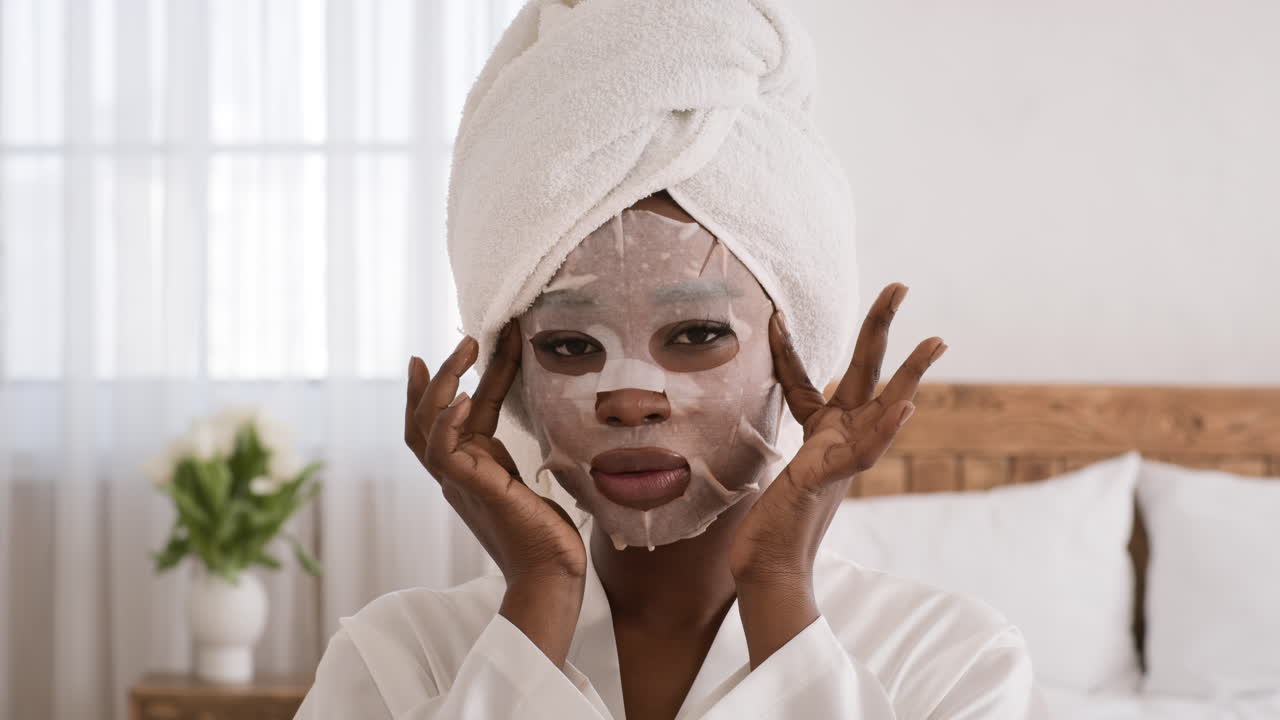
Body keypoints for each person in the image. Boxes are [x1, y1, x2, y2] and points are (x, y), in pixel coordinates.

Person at [298, 1, 1048, 718]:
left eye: (696, 335)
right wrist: (539, 596)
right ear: (515, 376)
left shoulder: (953, 662)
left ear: (798, 348)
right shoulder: (399, 659)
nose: (630, 399)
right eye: (570, 346)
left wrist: (779, 587)